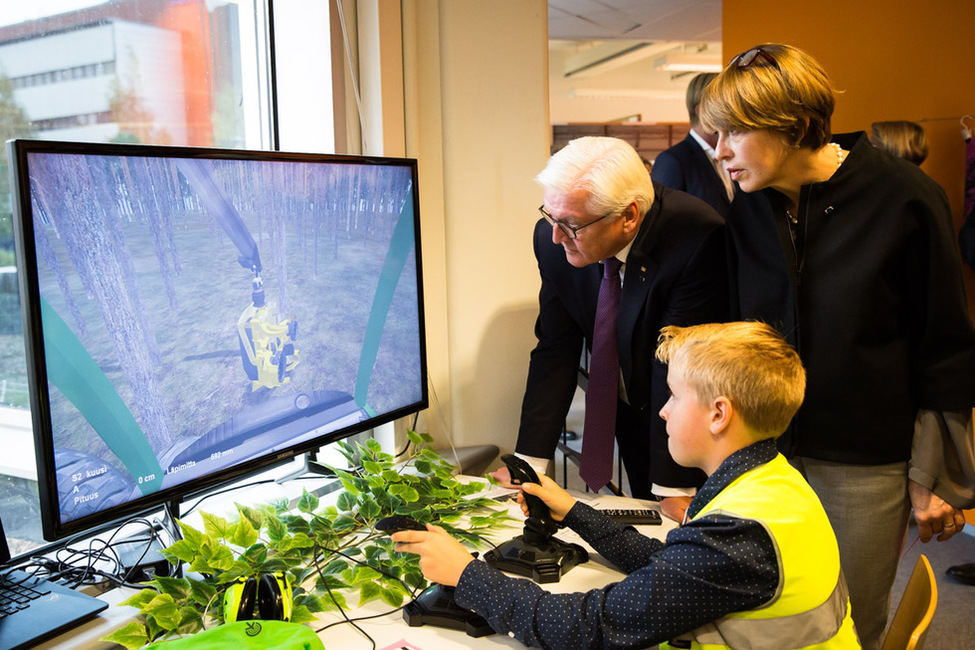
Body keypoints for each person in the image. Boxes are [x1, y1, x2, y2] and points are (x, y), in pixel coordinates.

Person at [697, 43, 975, 650]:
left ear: (793, 127)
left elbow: (946, 348)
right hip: (765, 454)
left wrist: (935, 475)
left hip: (862, 461)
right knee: (764, 621)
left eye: (731, 135)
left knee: (848, 626)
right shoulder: (747, 207)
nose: (718, 152)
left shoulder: (905, 197)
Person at [394, 321, 860, 649]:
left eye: (675, 397)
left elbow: (589, 628)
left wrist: (467, 575)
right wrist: (572, 511)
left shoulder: (739, 535)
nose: (663, 411)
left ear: (719, 414)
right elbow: (671, 564)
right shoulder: (770, 482)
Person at [491, 136, 728, 523]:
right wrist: (529, 464)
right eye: (550, 216)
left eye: (570, 224)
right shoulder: (553, 239)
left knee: (669, 522)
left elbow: (678, 367)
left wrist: (673, 487)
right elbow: (555, 347)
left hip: (681, 412)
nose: (555, 235)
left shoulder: (695, 236)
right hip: (623, 405)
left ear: (629, 216)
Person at [650, 73, 735, 216]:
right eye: (725, 106)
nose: (733, 112)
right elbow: (661, 223)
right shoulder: (672, 161)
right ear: (702, 111)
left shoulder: (735, 155)